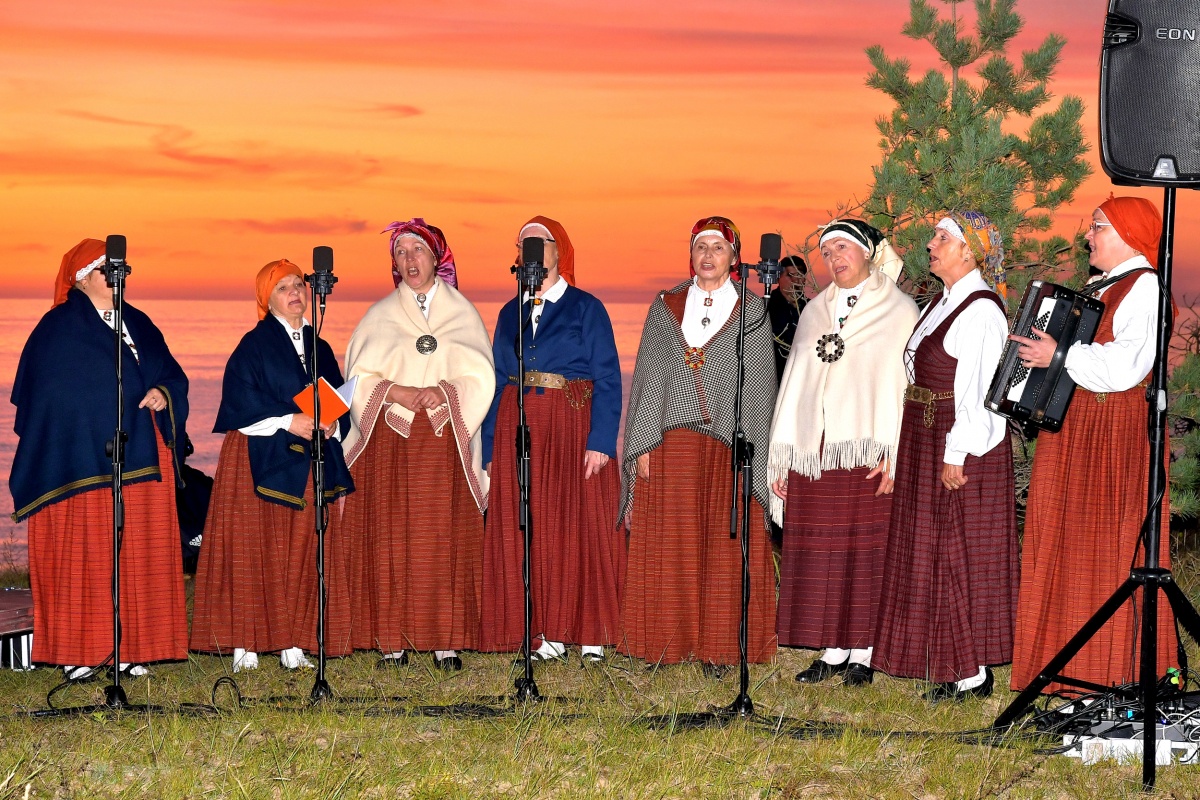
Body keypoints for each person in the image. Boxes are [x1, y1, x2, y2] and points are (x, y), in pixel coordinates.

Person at [1010, 196, 1177, 692]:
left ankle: (1100, 679)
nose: (1088, 235)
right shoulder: (1100, 286)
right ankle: (1063, 677)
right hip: (1078, 428)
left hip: (1110, 434)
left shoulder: (1144, 286)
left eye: (1099, 226)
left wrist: (1058, 355)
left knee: (1098, 552)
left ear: (1129, 232)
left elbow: (1126, 366)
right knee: (1063, 547)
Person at [9, 239, 189, 679]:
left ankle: (133, 648)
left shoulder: (140, 322)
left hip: (143, 456)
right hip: (80, 465)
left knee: (140, 553)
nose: (116, 278)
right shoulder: (57, 329)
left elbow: (171, 374)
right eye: (107, 270)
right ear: (82, 279)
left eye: (120, 270)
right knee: (84, 555)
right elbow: (48, 398)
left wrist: (162, 393)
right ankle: (80, 653)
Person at [619, 216, 777, 677]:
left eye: (718, 247)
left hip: (728, 443)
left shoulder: (751, 311)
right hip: (671, 442)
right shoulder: (665, 306)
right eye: (700, 247)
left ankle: (720, 647)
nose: (708, 255)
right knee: (671, 546)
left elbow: (760, 388)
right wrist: (642, 445)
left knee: (721, 546)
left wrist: (753, 452)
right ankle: (665, 642)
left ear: (734, 257)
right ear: (690, 255)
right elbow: (648, 379)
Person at [872, 212, 1018, 701]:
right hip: (925, 433)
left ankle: (973, 673)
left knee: (958, 548)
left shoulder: (982, 310)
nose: (930, 244)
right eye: (934, 236)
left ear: (969, 251)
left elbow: (979, 391)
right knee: (931, 546)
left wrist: (956, 452)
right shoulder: (941, 301)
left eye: (942, 238)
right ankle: (945, 659)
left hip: (960, 441)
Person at [769, 219, 918, 687]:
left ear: (867, 252)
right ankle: (832, 649)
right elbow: (795, 385)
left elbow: (903, 389)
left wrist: (895, 453)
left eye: (843, 248)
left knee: (865, 553)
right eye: (827, 252)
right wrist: (785, 454)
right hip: (816, 450)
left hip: (869, 449)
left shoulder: (899, 310)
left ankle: (865, 652)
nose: (835, 258)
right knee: (823, 550)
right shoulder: (814, 312)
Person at [341, 218, 494, 672]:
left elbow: (481, 375)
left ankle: (446, 642)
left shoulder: (463, 313)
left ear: (436, 256)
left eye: (418, 251)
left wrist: (444, 392)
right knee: (391, 537)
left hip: (445, 440)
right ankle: (392, 643)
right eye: (401, 253)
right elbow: (357, 377)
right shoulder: (379, 315)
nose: (410, 260)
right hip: (392, 439)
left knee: (442, 538)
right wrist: (396, 391)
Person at [189, 259, 355, 671]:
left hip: (308, 460)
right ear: (266, 299)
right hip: (258, 457)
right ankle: (245, 643)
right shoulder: (253, 345)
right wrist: (288, 420)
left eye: (299, 284)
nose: (295, 292)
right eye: (282, 287)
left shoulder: (319, 346)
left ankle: (293, 641)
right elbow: (239, 401)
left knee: (302, 547)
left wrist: (333, 423)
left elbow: (340, 398)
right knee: (256, 548)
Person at [479, 216, 624, 663]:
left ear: (560, 251)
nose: (530, 252)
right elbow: (498, 380)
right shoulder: (509, 312)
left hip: (571, 423)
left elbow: (608, 377)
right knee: (533, 525)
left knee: (580, 524)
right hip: (519, 425)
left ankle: (590, 632)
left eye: (540, 243)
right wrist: (490, 447)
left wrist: (601, 440)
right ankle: (545, 631)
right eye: (523, 245)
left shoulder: (586, 307)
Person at [767, 255, 808, 384]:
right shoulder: (766, 307)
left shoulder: (812, 308)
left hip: (804, 376)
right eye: (790, 275)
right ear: (778, 277)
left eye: (800, 275)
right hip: (774, 377)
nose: (796, 280)